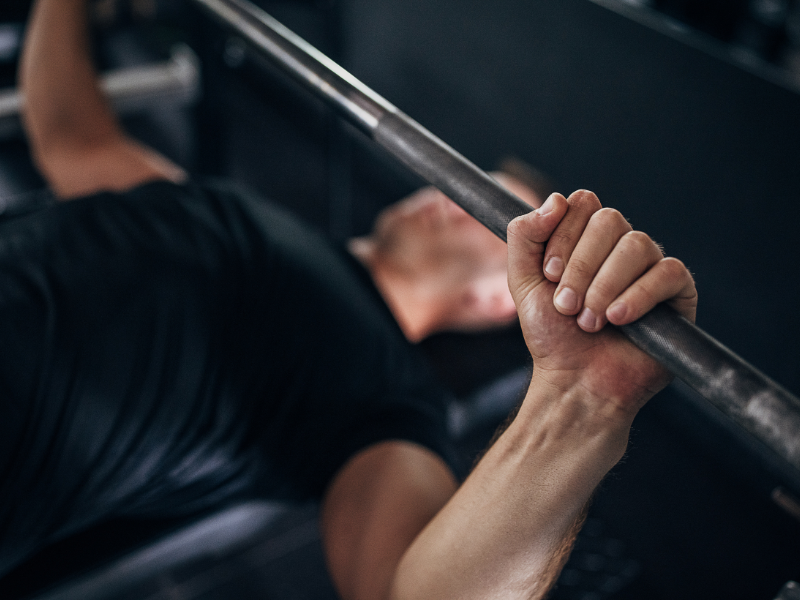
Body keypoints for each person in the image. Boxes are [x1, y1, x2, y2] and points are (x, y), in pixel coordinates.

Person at [0, 1, 698, 599]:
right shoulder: (243, 208)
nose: (450, 206)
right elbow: (73, 138)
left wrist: (580, 403)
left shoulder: (386, 399)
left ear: (498, 301)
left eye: (491, 224)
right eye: (464, 191)